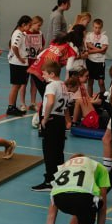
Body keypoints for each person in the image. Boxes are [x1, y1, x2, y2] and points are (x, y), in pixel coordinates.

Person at [31, 64, 77, 192]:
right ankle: (59, 179)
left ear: (52, 74)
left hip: (51, 120)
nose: (43, 76)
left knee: (49, 152)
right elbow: (66, 104)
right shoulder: (63, 84)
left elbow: (50, 101)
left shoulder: (51, 85)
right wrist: (68, 120)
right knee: (58, 151)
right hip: (60, 121)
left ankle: (49, 181)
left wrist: (44, 119)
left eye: (44, 73)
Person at [4, 15, 33, 116]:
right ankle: (11, 107)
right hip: (17, 63)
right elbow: (14, 47)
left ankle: (13, 106)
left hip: (21, 63)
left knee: (19, 85)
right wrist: (20, 58)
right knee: (16, 86)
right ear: (23, 24)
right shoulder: (18, 34)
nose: (30, 27)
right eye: (29, 25)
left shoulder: (22, 33)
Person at [85, 18, 110, 96]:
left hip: (100, 62)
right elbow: (88, 49)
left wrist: (93, 48)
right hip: (90, 61)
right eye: (95, 27)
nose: (97, 29)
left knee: (101, 82)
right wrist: (99, 49)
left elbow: (104, 51)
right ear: (93, 27)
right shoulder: (89, 35)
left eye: (99, 27)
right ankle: (90, 99)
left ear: (101, 27)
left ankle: (103, 98)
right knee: (90, 81)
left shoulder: (104, 37)